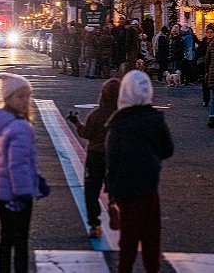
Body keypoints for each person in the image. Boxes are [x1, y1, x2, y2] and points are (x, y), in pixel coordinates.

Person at [105, 70, 174, 273]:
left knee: (129, 238)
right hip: (149, 186)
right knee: (152, 236)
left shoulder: (117, 124)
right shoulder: (155, 119)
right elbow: (168, 149)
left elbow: (111, 161)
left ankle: (124, 269)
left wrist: (111, 192)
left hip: (125, 190)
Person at [0, 73, 46, 273]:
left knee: (6, 237)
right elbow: (17, 164)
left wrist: (36, 178)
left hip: (2, 192)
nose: (25, 101)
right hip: (18, 194)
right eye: (20, 96)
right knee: (20, 241)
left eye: (27, 96)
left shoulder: (1, 122)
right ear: (8, 98)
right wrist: (24, 191)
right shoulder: (20, 126)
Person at [66, 78, 120, 239]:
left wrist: (76, 123)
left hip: (95, 156)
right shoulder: (121, 115)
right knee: (114, 187)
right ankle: (113, 205)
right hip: (113, 156)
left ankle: (95, 225)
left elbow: (86, 134)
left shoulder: (96, 114)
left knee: (92, 190)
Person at [196, 26, 214, 107]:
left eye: (211, 32)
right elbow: (199, 52)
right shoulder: (203, 43)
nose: (210, 34)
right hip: (204, 65)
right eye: (208, 32)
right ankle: (206, 99)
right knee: (205, 83)